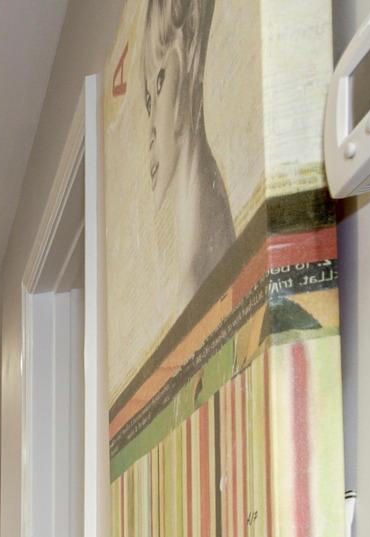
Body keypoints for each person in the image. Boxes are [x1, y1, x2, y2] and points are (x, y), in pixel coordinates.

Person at [140, 0, 235, 317]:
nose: (151, 131)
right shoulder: (204, 245)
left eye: (160, 81)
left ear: (189, 53)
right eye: (148, 102)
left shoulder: (197, 276)